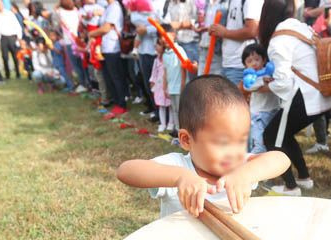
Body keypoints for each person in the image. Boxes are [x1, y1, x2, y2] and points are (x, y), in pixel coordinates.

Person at [116, 74, 291, 217]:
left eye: (241, 141)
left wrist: (246, 174)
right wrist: (179, 178)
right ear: (186, 140)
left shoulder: (240, 168)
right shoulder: (178, 167)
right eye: (223, 143)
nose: (235, 152)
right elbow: (126, 170)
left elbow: (281, 159)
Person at [261, 0, 331, 196]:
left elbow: (283, 82)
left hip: (306, 96)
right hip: (324, 94)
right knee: (283, 133)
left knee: (271, 137)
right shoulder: (300, 27)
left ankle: (291, 187)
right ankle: (304, 178)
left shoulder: (278, 40)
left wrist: (267, 85)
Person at [90, 0, 128, 119]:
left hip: (113, 47)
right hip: (105, 47)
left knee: (115, 76)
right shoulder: (108, 7)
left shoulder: (115, 7)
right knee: (108, 77)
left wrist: (91, 34)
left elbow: (106, 28)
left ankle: (121, 103)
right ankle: (116, 101)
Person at [210, 0, 264, 85]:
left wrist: (224, 33)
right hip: (228, 64)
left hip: (240, 66)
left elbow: (252, 30)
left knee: (235, 98)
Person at [241, 43, 280, 154]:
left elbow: (280, 83)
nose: (254, 63)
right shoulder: (250, 78)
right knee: (259, 145)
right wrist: (262, 81)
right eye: (249, 61)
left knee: (272, 143)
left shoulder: (271, 73)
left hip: (274, 112)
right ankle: (249, 163)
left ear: (264, 60)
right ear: (245, 65)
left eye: (257, 59)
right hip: (258, 115)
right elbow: (248, 86)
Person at [129, 0, 159, 117]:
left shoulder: (159, 4)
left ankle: (162, 113)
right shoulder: (138, 8)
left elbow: (164, 25)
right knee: (147, 83)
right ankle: (154, 109)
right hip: (143, 50)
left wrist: (147, 29)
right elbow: (134, 19)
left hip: (157, 50)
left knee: (158, 84)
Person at [161, 23, 188, 134]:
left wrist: (183, 85)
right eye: (161, 36)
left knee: (182, 111)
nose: (164, 39)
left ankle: (185, 131)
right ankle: (178, 130)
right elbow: (165, 72)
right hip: (171, 87)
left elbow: (184, 68)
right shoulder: (165, 54)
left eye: (166, 35)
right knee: (175, 110)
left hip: (179, 87)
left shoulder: (179, 50)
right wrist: (164, 87)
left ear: (173, 35)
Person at [57, 0, 88, 92]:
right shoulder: (76, 11)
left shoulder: (61, 12)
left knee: (76, 65)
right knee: (82, 64)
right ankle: (86, 83)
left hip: (71, 42)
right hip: (78, 40)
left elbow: (56, 8)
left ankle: (83, 84)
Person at [164, 0, 200, 77]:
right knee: (178, 75)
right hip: (176, 44)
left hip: (190, 42)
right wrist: (182, 24)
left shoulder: (192, 2)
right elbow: (167, 23)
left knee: (192, 73)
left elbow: (198, 21)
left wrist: (181, 24)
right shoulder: (170, 3)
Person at [0, 0, 23, 79]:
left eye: (0, 4)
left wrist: (19, 37)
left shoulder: (10, 14)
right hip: (3, 38)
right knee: (5, 57)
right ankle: (7, 74)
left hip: (12, 37)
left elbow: (17, 26)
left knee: (15, 56)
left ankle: (18, 73)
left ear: (2, 4)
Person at [150, 36, 174, 132]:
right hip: (159, 86)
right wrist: (153, 83)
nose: (156, 46)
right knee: (161, 105)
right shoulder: (156, 60)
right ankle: (163, 123)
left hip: (168, 85)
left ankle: (171, 123)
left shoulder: (168, 58)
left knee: (171, 105)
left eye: (159, 44)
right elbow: (154, 73)